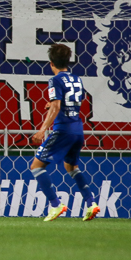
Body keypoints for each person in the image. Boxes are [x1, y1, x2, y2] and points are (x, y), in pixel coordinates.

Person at [29, 44, 100, 222]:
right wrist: (53, 104)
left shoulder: (55, 80)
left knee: (36, 166)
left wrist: (42, 130)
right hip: (78, 129)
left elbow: (57, 106)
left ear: (51, 63)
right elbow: (72, 101)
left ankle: (55, 205)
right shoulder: (77, 79)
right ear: (68, 61)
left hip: (63, 130)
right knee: (71, 167)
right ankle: (91, 203)